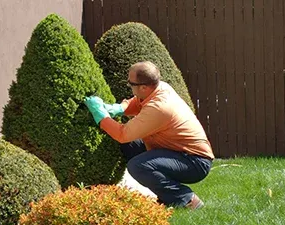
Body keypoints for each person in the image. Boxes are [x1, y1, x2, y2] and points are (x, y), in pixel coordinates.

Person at [84, 61, 214, 210]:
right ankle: (166, 197)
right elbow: (138, 102)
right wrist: (120, 108)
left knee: (138, 166)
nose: (129, 85)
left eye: (130, 83)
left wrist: (100, 116)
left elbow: (122, 134)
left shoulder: (159, 108)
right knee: (130, 144)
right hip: (177, 152)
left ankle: (187, 200)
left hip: (194, 162)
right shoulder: (159, 88)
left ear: (144, 87)